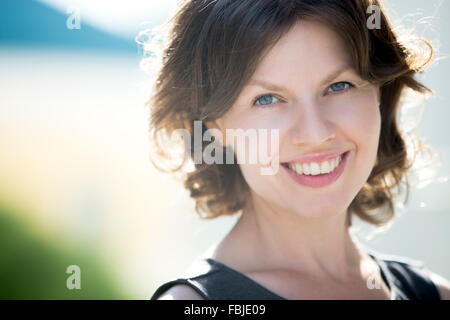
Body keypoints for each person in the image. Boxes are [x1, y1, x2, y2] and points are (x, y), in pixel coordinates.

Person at [145, 0, 450, 299]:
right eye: (266, 99)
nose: (315, 134)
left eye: (339, 86)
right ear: (215, 127)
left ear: (380, 93)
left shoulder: (432, 293)